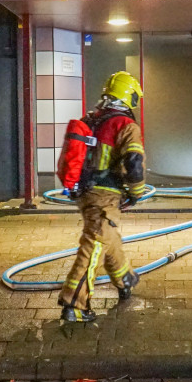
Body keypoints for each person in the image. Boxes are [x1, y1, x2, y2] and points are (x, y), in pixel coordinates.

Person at [59, 71, 147, 323]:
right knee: (94, 246)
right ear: (127, 95)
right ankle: (74, 304)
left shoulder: (93, 119)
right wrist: (136, 192)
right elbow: (134, 163)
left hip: (86, 193)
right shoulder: (125, 125)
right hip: (105, 196)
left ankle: (125, 278)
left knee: (107, 237)